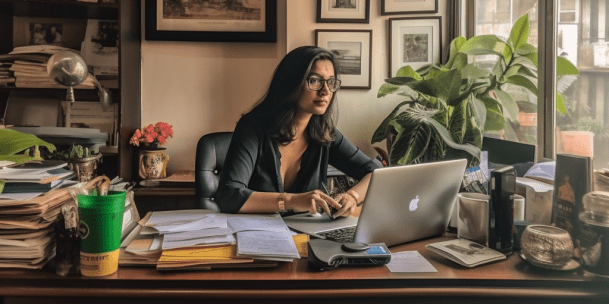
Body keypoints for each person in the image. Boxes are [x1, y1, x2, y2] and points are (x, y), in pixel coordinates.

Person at [216, 46, 381, 217]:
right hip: (257, 233)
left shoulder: (325, 134)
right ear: (292, 83)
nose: (326, 91)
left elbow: (376, 172)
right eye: (315, 80)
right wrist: (291, 201)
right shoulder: (252, 128)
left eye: (331, 82)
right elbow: (229, 196)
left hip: (306, 233)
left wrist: (352, 197)